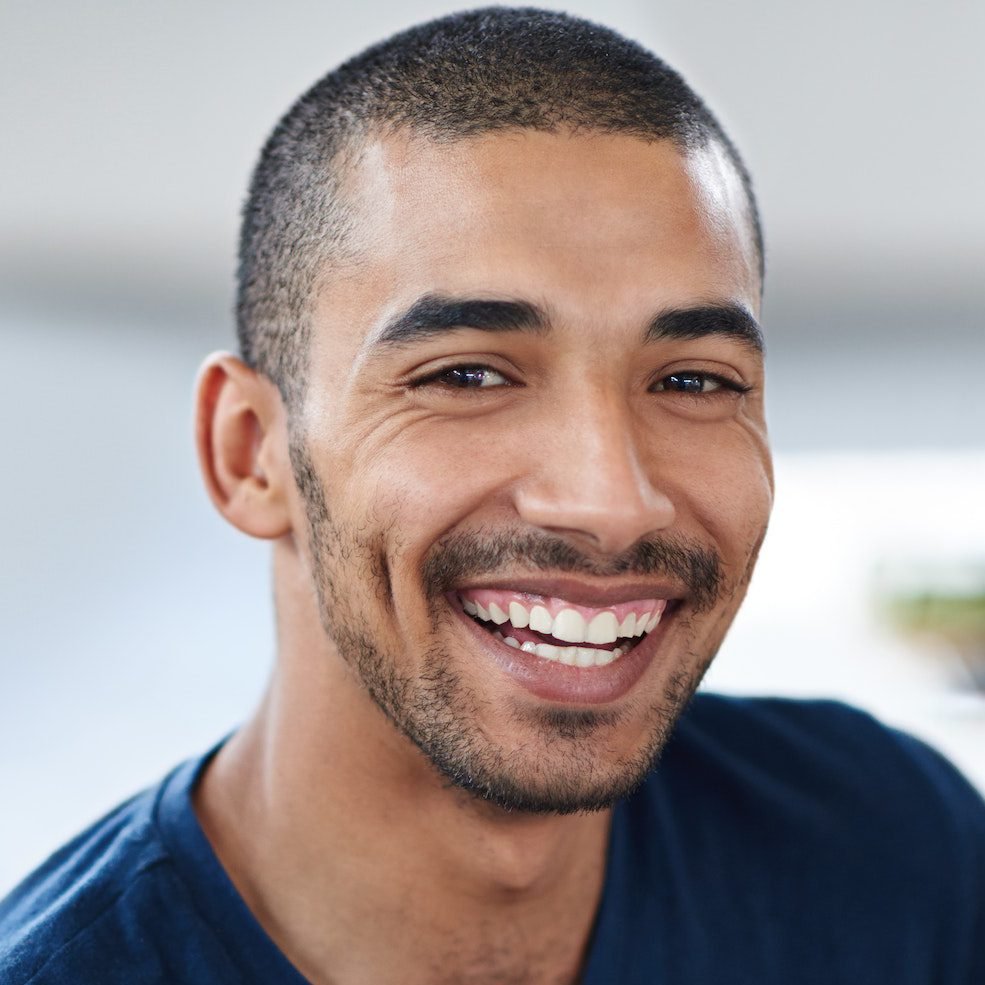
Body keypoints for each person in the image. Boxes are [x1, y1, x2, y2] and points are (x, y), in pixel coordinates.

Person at [2, 7, 983, 984]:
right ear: (250, 452)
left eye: (692, 379)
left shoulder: (891, 851)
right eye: (467, 376)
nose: (611, 502)